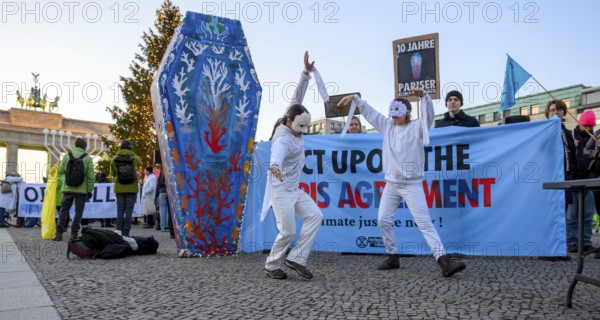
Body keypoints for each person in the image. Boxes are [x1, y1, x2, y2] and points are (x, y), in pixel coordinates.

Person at [337, 89, 466, 277]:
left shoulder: (417, 128)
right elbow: (371, 114)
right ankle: (392, 256)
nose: (394, 116)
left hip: (412, 184)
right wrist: (356, 99)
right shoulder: (387, 127)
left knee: (424, 223)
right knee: (382, 219)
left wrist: (424, 98)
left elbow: (428, 116)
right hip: (392, 184)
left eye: (398, 111)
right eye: (392, 111)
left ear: (407, 111)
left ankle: (443, 260)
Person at [263, 51, 324, 280]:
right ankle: (271, 264)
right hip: (280, 190)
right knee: (288, 231)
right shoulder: (283, 138)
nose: (302, 133)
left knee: (315, 216)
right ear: (289, 122)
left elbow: (297, 96)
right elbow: (277, 153)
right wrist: (275, 166)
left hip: (294, 189)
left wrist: (306, 73)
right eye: (299, 127)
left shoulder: (293, 117)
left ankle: (297, 258)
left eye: (305, 128)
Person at [54, 138, 95, 241]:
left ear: (75, 145)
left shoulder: (67, 155)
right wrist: (89, 190)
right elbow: (91, 177)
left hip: (68, 188)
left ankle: (59, 233)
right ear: (85, 147)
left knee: (63, 210)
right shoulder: (88, 158)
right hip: (81, 190)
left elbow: (61, 170)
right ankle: (74, 234)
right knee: (78, 212)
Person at [110, 140, 142, 237]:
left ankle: (118, 232)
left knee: (120, 210)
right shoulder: (135, 158)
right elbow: (140, 165)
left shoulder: (114, 159)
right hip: (132, 188)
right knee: (129, 211)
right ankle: (126, 233)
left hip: (119, 188)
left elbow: (112, 174)